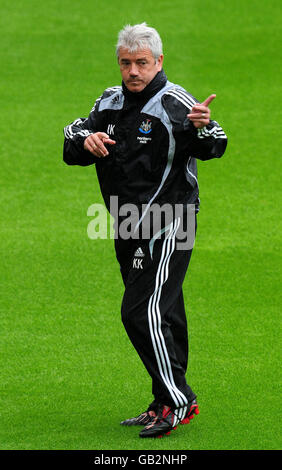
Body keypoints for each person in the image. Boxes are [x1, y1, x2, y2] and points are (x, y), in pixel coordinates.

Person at [63, 23, 227, 438]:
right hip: (126, 222)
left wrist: (203, 126)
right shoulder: (111, 101)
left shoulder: (175, 103)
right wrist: (87, 141)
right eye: (126, 63)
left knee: (140, 311)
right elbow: (74, 135)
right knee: (165, 312)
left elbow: (214, 143)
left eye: (141, 63)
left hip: (171, 221)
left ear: (158, 62)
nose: (133, 71)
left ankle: (178, 399)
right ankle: (161, 402)